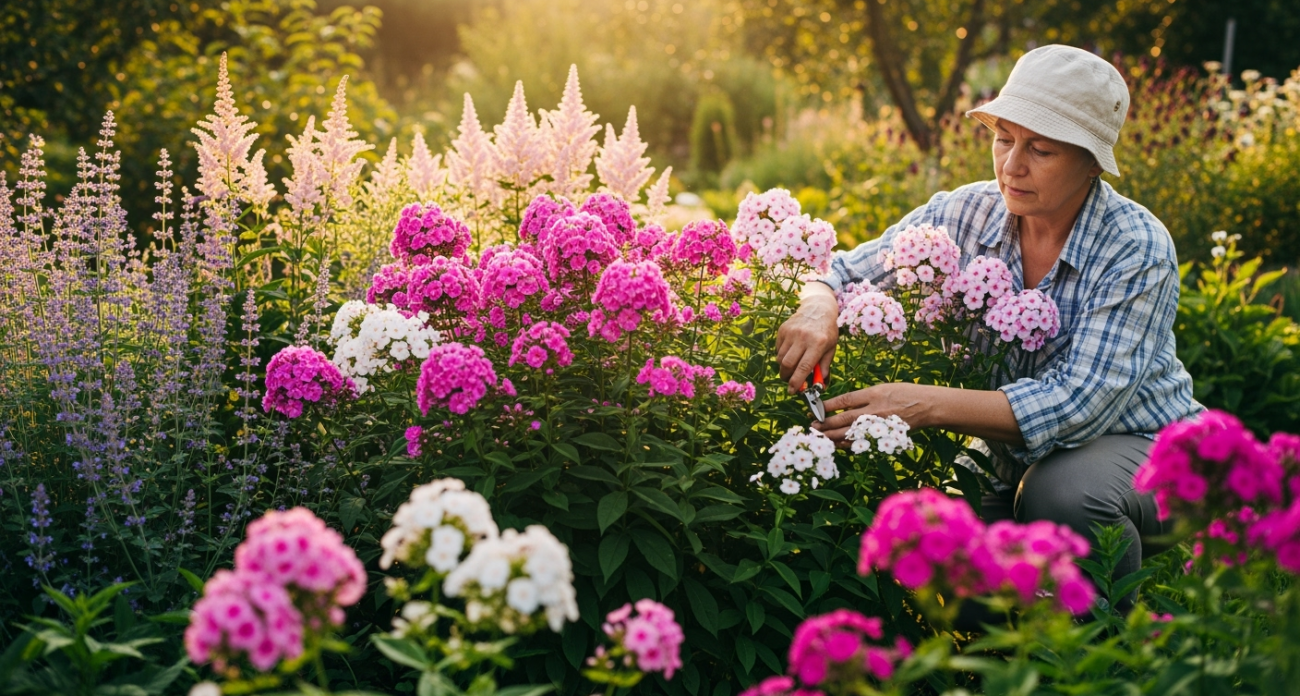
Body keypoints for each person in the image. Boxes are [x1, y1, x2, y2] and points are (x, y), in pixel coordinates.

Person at [774, 44, 1203, 592]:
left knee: (1063, 493)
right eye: (1003, 138)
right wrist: (818, 305)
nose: (1012, 165)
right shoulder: (964, 212)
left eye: (1041, 149)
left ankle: (1105, 658)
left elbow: (1077, 406)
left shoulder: (1136, 246)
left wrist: (918, 405)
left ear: (1092, 162)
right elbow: (845, 271)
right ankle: (1015, 647)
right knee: (928, 550)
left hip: (1145, 453)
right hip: (1011, 465)